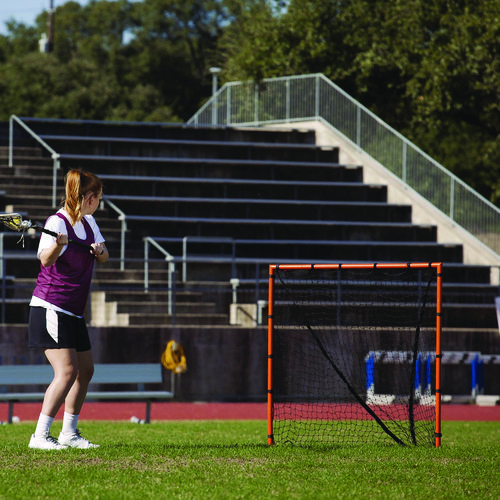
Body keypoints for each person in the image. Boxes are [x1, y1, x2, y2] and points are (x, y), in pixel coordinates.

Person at [28, 169, 109, 450]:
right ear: (88, 198)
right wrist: (57, 245)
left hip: (74, 311)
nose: (98, 203)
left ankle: (69, 434)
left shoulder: (89, 223)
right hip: (51, 306)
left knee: (85, 370)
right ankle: (39, 436)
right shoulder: (56, 222)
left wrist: (100, 251)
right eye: (97, 198)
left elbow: (106, 256)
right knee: (67, 371)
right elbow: (45, 260)